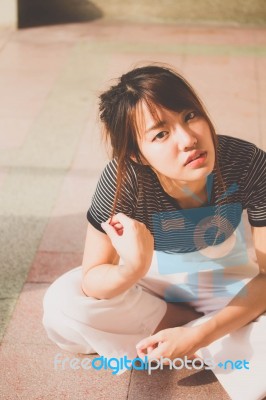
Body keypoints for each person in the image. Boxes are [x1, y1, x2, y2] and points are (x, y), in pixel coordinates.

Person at [43, 64, 266, 400]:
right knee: (62, 304)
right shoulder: (124, 180)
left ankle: (194, 341)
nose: (189, 139)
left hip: (227, 282)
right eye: (161, 134)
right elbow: (93, 278)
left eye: (190, 115)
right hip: (150, 282)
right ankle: (207, 339)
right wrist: (130, 268)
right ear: (136, 153)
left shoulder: (247, 161)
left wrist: (198, 336)